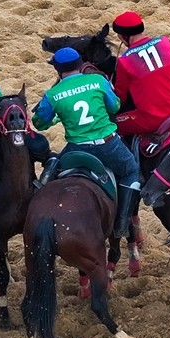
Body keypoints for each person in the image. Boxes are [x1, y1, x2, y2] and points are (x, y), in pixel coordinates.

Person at [31, 47, 140, 238]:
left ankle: (37, 203)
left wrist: (56, 118)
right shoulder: (98, 81)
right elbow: (115, 106)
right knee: (132, 170)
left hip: (77, 148)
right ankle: (122, 224)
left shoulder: (52, 94)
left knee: (53, 166)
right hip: (109, 145)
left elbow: (40, 123)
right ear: (80, 64)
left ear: (58, 70)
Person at [108, 11, 170, 139]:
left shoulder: (125, 60)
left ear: (123, 36)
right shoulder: (165, 42)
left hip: (152, 119)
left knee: (110, 124)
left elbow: (120, 97)